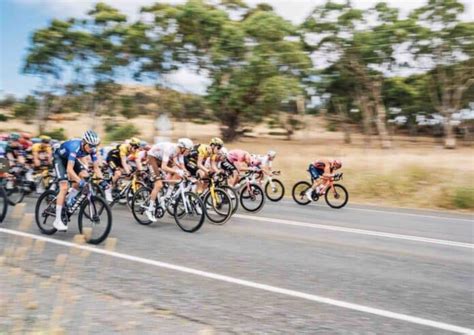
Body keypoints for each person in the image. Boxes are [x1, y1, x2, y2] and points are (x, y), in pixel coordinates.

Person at [52, 130, 104, 231]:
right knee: (64, 187)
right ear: (84, 142)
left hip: (71, 159)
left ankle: (70, 199)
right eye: (90, 146)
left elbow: (96, 168)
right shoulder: (74, 147)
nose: (92, 148)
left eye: (94, 146)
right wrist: (79, 181)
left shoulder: (92, 150)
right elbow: (69, 170)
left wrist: (102, 181)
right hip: (59, 158)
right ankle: (57, 220)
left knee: (85, 175)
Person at [145, 138, 193, 222]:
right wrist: (177, 170)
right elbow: (164, 167)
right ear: (182, 148)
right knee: (159, 184)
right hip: (152, 158)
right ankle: (149, 209)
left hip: (160, 158)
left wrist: (186, 172)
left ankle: (167, 196)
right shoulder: (169, 149)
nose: (188, 152)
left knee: (178, 173)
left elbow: (181, 165)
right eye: (188, 150)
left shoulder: (180, 152)